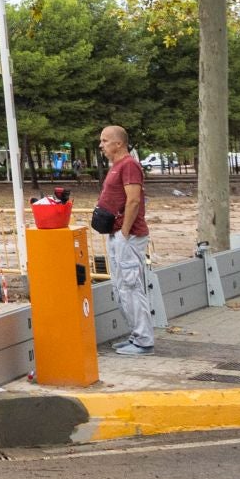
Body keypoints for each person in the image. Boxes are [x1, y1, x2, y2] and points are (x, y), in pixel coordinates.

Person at [96, 124, 152, 356]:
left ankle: (143, 340)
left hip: (127, 235)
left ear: (118, 143)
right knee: (121, 287)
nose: (101, 145)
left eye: (105, 140)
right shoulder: (117, 166)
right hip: (118, 234)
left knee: (130, 286)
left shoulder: (129, 165)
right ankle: (136, 335)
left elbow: (133, 200)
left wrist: (125, 232)